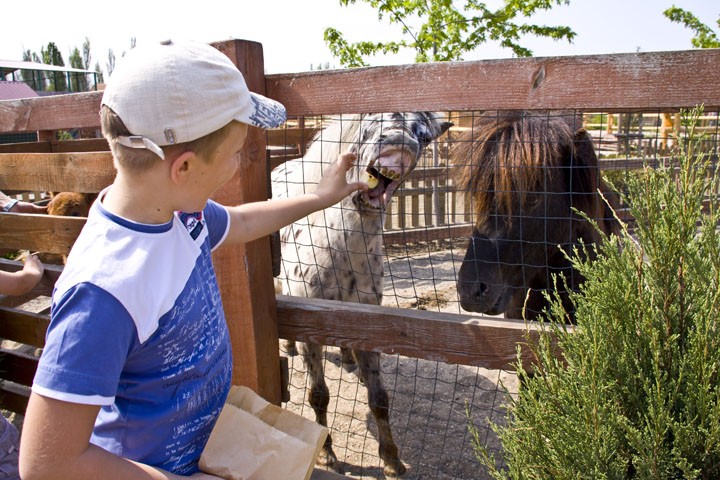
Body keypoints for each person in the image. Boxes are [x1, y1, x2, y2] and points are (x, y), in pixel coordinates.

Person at [19, 39, 366, 480]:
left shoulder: (180, 213)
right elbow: (47, 463)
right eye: (234, 152)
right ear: (183, 169)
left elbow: (238, 222)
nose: (237, 164)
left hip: (209, 444)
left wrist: (319, 198)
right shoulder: (104, 290)